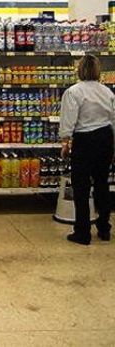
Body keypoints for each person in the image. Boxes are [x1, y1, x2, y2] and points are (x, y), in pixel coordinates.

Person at [59, 54, 115, 245]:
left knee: (81, 187)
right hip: (105, 138)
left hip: (84, 141)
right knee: (102, 184)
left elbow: (68, 120)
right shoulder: (107, 92)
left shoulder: (74, 92)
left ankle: (82, 232)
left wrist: (65, 142)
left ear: (80, 69)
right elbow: (113, 121)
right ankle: (104, 228)